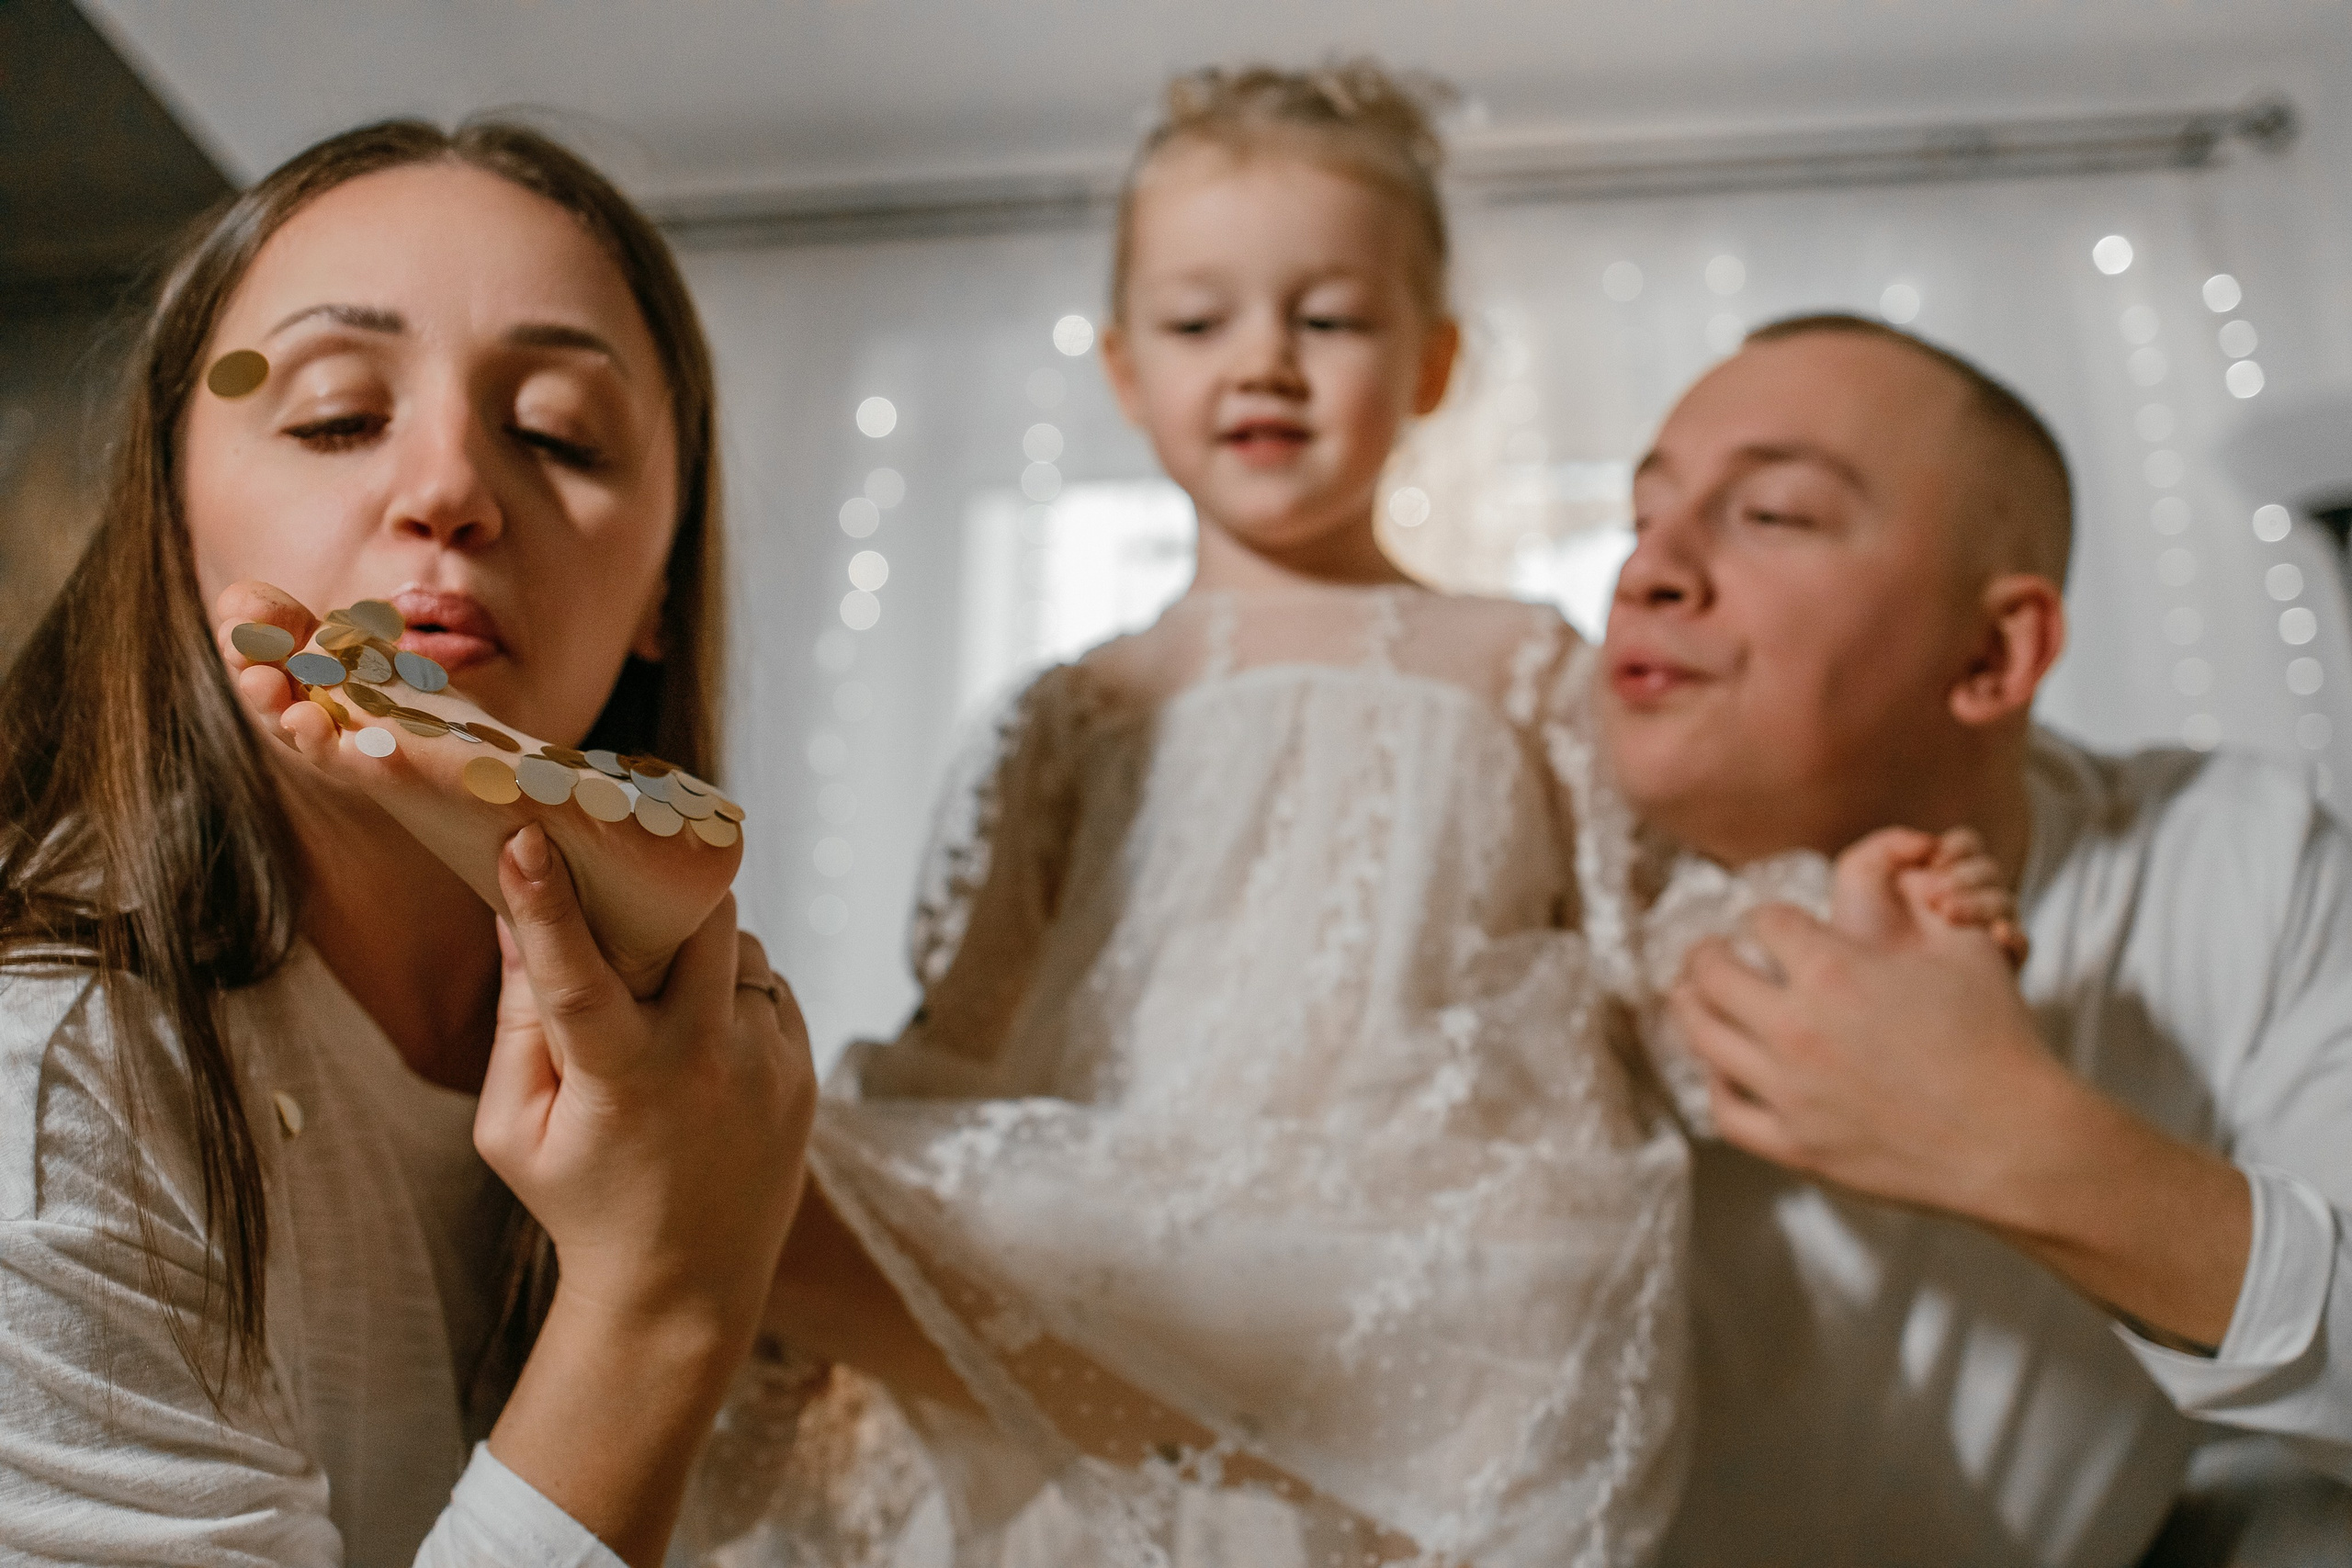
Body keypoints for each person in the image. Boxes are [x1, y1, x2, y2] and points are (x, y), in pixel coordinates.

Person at [738, 67, 2017, 1567]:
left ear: (1430, 362)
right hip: (1153, 1242)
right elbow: (975, 1024)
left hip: (1431, 1235)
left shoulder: (1522, 657)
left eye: (1329, 319)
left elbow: (1656, 930)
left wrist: (1841, 931)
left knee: (1490, 1310)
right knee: (761, 1187)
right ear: (1125, 373)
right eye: (1201, 321)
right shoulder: (1078, 710)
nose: (1266, 363)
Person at [0, 120, 814, 1567]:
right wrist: (659, 1304)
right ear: (171, 523)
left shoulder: (695, 1096)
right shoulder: (48, 1088)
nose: (449, 489)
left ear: (661, 590)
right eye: (331, 416)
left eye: (560, 433)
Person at [1588, 312, 2352, 1565]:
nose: (1649, 572)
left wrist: (2007, 1138)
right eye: (1642, 518)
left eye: (1771, 514)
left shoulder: (2240, 857)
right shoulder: (1486, 862)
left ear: (1996, 654)